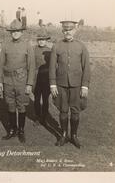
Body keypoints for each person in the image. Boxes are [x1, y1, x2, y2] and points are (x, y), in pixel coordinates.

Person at [49, 20, 90, 148]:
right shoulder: (57, 46)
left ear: (75, 31)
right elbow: (51, 67)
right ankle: (64, 135)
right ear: (62, 31)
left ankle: (74, 136)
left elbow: (86, 68)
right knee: (63, 110)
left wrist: (84, 85)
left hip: (77, 85)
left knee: (75, 111)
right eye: (65, 30)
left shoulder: (81, 46)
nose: (68, 32)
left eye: (70, 30)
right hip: (61, 84)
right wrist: (53, 84)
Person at [0, 19, 35, 143]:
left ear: (21, 32)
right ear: (10, 32)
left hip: (21, 80)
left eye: (17, 31)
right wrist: (0, 81)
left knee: (21, 105)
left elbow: (31, 66)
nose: (15, 33)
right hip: (8, 81)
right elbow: (1, 65)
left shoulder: (27, 46)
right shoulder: (5, 45)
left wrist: (29, 83)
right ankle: (12, 130)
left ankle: (21, 130)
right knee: (10, 105)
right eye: (13, 31)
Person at [33, 31, 51, 126]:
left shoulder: (50, 51)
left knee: (45, 99)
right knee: (36, 98)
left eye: (43, 40)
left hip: (46, 79)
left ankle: (44, 118)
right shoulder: (33, 49)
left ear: (46, 40)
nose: (41, 42)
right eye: (39, 40)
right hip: (36, 79)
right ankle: (37, 116)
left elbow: (53, 66)